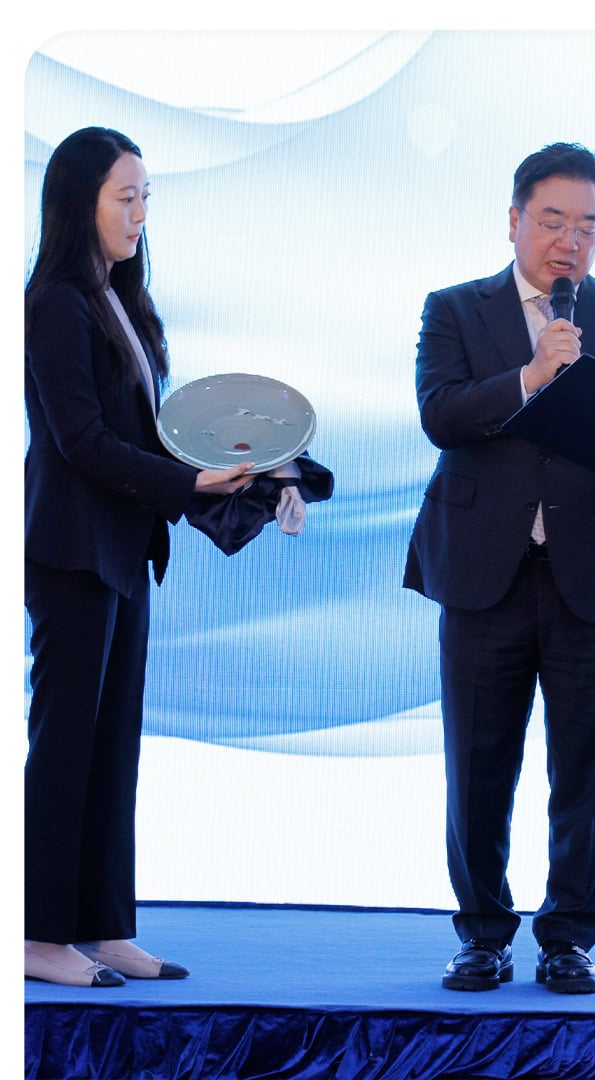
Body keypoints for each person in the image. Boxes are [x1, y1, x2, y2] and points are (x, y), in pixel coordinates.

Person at [404, 142, 595, 994]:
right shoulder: (455, 309)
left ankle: (569, 936)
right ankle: (482, 932)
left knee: (586, 769)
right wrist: (531, 375)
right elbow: (441, 416)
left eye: (588, 226)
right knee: (479, 763)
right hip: (484, 571)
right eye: (554, 220)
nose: (571, 241)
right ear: (515, 218)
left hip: (594, 571)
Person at [24, 127, 253, 987]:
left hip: (124, 549)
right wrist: (190, 483)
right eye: (126, 196)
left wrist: (245, 476)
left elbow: (148, 433)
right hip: (72, 551)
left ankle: (102, 924)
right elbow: (80, 441)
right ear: (77, 200)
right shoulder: (54, 301)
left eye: (146, 196)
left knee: (113, 743)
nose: (139, 213)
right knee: (66, 744)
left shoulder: (121, 297)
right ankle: (39, 933)